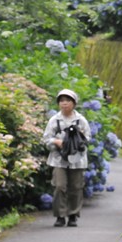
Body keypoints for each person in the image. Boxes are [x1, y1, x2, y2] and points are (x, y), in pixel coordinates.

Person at [42, 89, 90, 227]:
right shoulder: (54, 120)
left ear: (74, 103)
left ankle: (73, 214)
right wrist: (56, 142)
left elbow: (87, 138)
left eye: (68, 101)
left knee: (76, 187)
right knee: (59, 186)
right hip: (58, 158)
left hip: (77, 159)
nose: (64, 104)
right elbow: (46, 139)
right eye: (62, 101)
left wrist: (77, 139)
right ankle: (60, 215)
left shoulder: (81, 120)